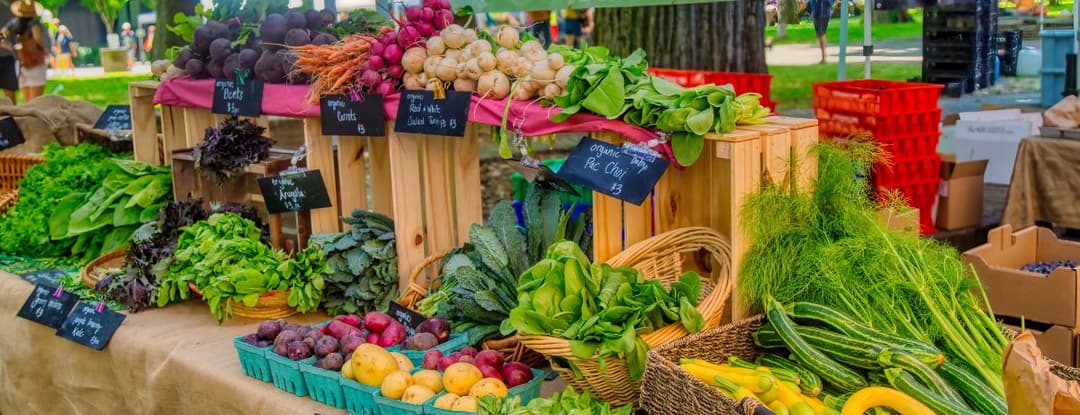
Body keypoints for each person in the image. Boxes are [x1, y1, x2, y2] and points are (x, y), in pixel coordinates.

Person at [10, 0, 47, 102]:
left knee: (27, 103)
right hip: (35, 61)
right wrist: (44, 49)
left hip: (22, 61)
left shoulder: (15, 25)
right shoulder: (34, 23)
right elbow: (37, 38)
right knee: (35, 101)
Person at [809, 0, 835, 64]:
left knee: (821, 34)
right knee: (819, 35)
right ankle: (823, 57)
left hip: (822, 13)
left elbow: (830, 2)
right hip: (816, 13)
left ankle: (824, 58)